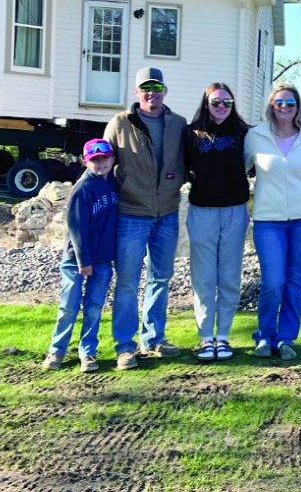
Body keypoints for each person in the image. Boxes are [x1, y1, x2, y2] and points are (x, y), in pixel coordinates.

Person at [104, 67, 186, 370]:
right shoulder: (120, 123)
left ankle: (153, 339)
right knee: (127, 282)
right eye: (145, 88)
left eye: (156, 87)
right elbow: (102, 166)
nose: (151, 92)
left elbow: (190, 162)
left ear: (165, 90)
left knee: (161, 278)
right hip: (131, 215)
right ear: (137, 92)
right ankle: (125, 346)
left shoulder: (178, 124)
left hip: (166, 213)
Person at [244, 84, 301, 360]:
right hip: (268, 221)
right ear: (271, 105)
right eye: (279, 102)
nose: (285, 108)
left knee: (294, 281)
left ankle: (287, 337)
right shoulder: (255, 136)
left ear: (297, 106)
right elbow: (237, 171)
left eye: (290, 103)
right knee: (273, 281)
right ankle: (265, 336)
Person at [184, 82, 250, 362]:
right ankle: (204, 339)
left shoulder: (244, 133)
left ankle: (222, 336)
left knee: (229, 277)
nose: (221, 107)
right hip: (202, 212)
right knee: (203, 278)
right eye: (215, 102)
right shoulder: (190, 134)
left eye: (227, 102)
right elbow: (182, 168)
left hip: (235, 212)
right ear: (206, 103)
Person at [42, 138, 119, 373]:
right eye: (94, 160)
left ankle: (88, 352)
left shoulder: (114, 184)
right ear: (86, 162)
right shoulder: (82, 189)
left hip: (103, 258)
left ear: (112, 159)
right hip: (76, 259)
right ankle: (57, 350)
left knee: (95, 307)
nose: (100, 163)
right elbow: (76, 228)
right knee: (69, 305)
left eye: (104, 158)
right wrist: (83, 261)